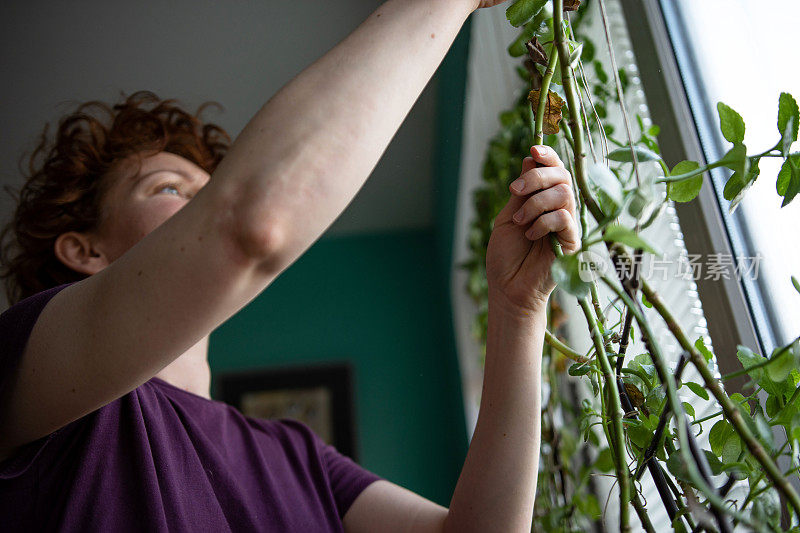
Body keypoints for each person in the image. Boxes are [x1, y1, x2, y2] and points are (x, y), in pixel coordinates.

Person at [0, 0, 579, 531]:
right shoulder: (26, 370)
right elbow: (247, 226)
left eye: (211, 189)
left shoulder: (298, 456)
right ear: (84, 249)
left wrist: (517, 309)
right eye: (172, 189)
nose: (205, 204)